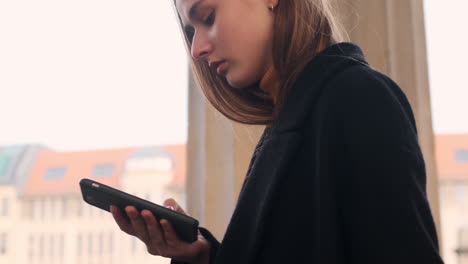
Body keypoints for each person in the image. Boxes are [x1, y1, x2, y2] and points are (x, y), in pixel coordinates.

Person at [110, 0, 445, 263]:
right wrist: (202, 255)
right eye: (190, 31)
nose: (196, 49)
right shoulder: (292, 119)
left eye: (208, 17)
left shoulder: (358, 97)